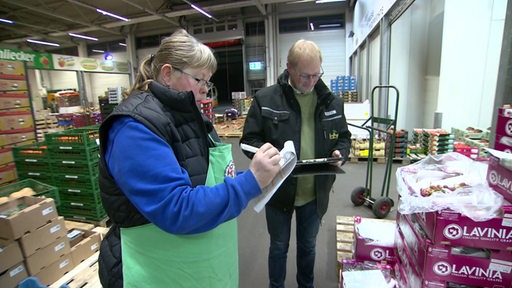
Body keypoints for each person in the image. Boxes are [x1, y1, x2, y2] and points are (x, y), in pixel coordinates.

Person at [97, 29, 282, 288]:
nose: (206, 91)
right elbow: (177, 208)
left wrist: (258, 179)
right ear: (168, 73)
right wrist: (250, 182)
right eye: (200, 80)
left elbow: (206, 182)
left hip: (201, 271)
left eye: (208, 82)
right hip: (159, 273)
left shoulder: (192, 118)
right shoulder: (134, 128)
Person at [240, 39, 352, 288]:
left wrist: (339, 152)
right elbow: (249, 140)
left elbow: (344, 137)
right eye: (304, 76)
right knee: (278, 246)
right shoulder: (266, 98)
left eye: (316, 75)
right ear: (288, 67)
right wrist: (269, 157)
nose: (311, 82)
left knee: (308, 247)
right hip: (279, 189)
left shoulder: (331, 102)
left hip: (315, 191)